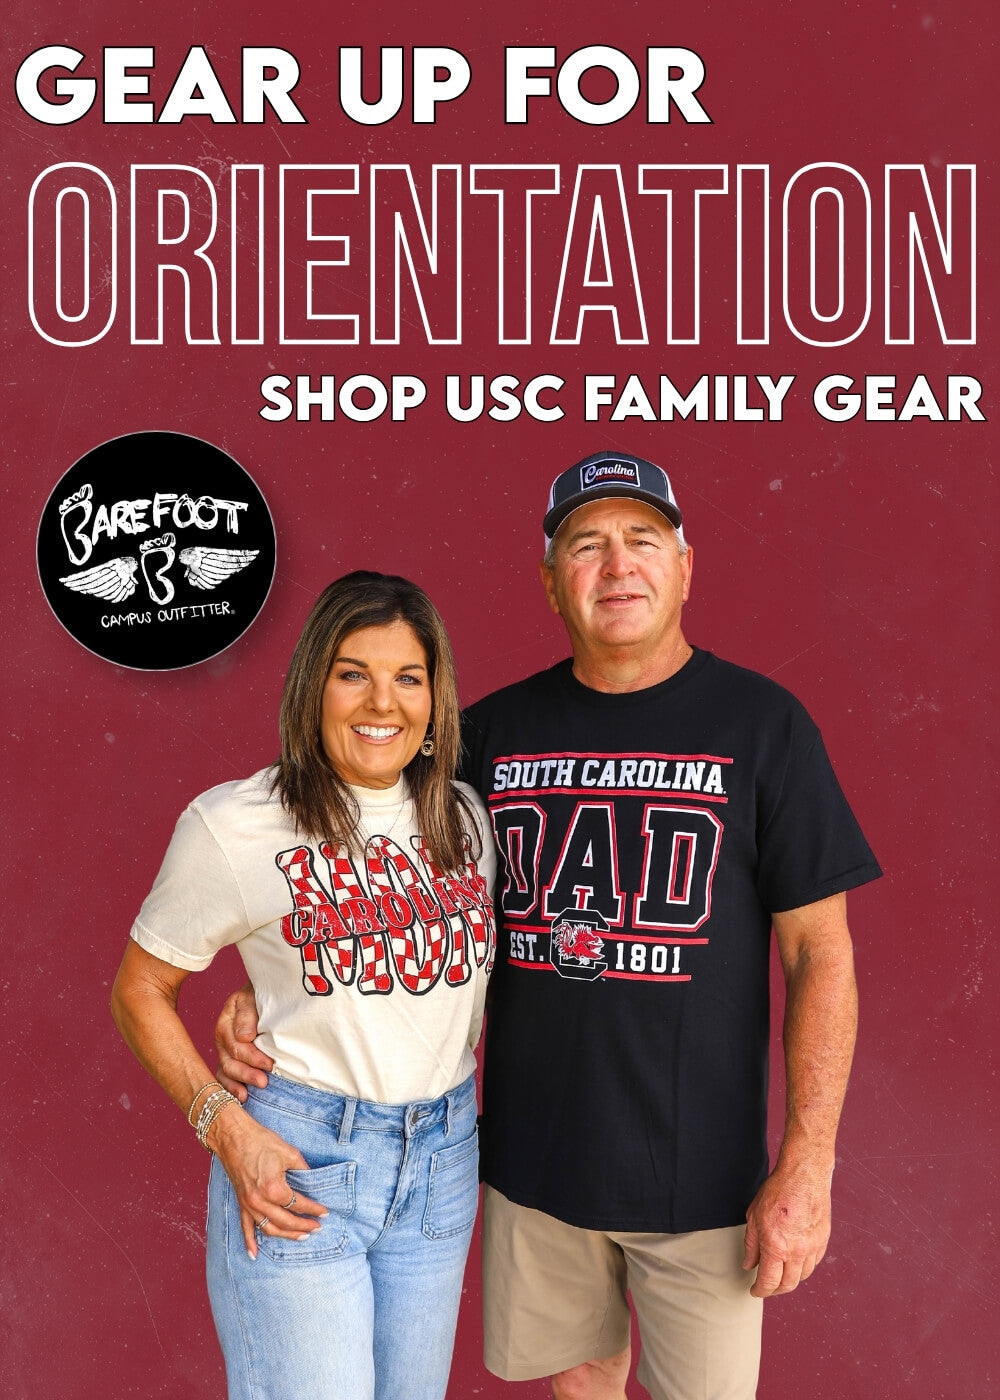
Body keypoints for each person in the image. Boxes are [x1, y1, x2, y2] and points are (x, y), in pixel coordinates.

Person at [216, 454, 881, 1400]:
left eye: (642, 540)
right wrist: (268, 985)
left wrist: (809, 1163)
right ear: (550, 581)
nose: (618, 566)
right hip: (535, 1169)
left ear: (685, 567)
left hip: (706, 1184)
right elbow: (366, 877)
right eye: (586, 545)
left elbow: (821, 956)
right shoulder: (485, 738)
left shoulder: (764, 727)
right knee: (576, 1387)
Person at [111, 570, 496, 1400]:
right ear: (313, 685)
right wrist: (225, 1128)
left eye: (409, 677)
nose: (382, 703)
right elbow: (138, 988)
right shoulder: (237, 825)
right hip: (301, 1161)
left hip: (442, 1162)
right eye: (353, 673)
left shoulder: (467, 819)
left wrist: (268, 995)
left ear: (436, 701)